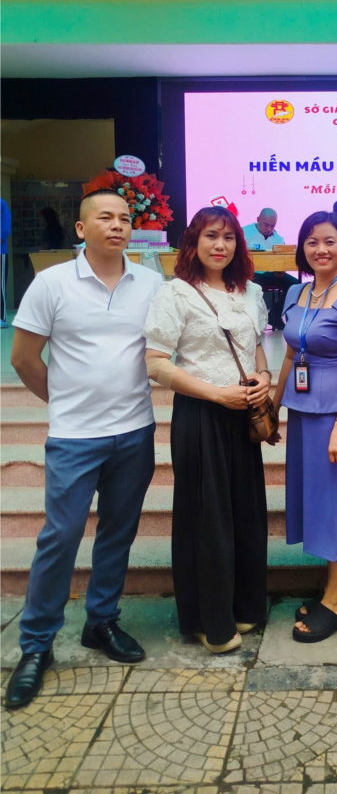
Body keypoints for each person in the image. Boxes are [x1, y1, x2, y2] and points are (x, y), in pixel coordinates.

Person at [4, 189, 162, 710]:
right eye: (105, 217)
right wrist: (67, 402)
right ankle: (36, 645)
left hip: (135, 432)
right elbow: (24, 358)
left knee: (118, 531)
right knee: (62, 535)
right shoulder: (52, 283)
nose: (117, 226)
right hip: (74, 437)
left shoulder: (151, 284)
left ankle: (102, 622)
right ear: (80, 228)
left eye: (125, 219)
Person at [144, 206, 270, 653]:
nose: (220, 245)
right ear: (193, 243)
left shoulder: (251, 291)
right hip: (200, 415)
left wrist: (264, 378)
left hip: (243, 414)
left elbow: (256, 348)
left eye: (229, 237)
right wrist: (218, 395)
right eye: (211, 236)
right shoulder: (175, 293)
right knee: (206, 517)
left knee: (246, 512)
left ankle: (245, 604)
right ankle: (207, 620)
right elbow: (156, 364)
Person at [273, 212, 337, 643]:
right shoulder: (295, 292)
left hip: (336, 413)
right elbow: (288, 355)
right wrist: (272, 407)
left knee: (335, 501)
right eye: (313, 241)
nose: (321, 249)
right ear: (303, 247)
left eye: (330, 241)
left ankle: (335, 599)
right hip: (302, 409)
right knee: (314, 498)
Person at [243, 208, 294, 330]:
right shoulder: (243, 233)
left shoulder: (279, 239)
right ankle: (252, 322)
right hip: (251, 273)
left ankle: (275, 315)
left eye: (272, 226)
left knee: (295, 286)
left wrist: (282, 270)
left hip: (272, 273)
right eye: (266, 225)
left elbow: (282, 260)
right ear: (258, 219)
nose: (269, 229)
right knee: (253, 287)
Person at [0, 193, 10, 328]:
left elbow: (5, 230)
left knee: (0, 285)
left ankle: (1, 317)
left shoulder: (1, 204)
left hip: (0, 251)